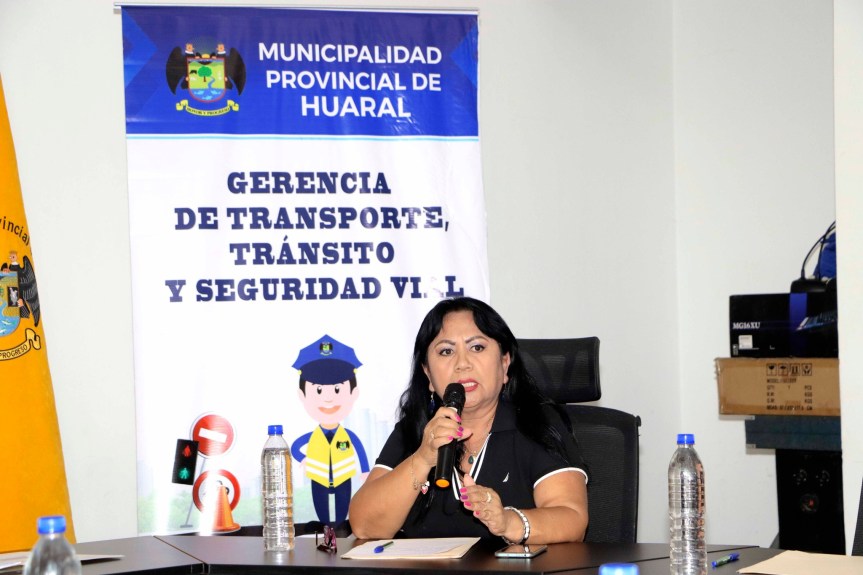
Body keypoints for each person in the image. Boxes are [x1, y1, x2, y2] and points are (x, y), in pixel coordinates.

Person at [349, 297, 588, 544]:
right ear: (428, 374)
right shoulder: (416, 428)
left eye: (477, 347)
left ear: (504, 363)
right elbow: (364, 526)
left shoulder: (535, 423)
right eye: (446, 351)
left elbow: (572, 519)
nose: (462, 364)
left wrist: (508, 521)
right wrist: (423, 458)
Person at [290, 334, 370, 526]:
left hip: (343, 479)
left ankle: (339, 529)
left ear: (354, 393)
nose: (328, 398)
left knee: (342, 515)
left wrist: (366, 471)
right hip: (319, 480)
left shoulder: (348, 435)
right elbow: (295, 447)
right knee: (323, 516)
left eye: (337, 389)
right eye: (318, 390)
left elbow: (359, 449)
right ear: (302, 395)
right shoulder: (312, 437)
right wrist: (303, 459)